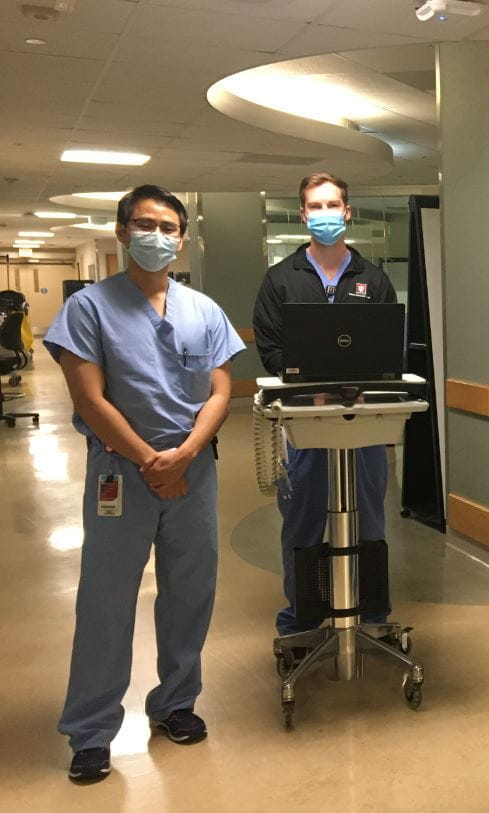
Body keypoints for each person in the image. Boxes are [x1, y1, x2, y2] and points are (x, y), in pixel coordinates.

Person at [45, 185, 244, 783]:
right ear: (122, 232)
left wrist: (185, 455)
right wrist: (152, 462)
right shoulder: (88, 308)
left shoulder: (203, 310)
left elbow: (222, 390)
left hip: (194, 469)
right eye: (144, 224)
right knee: (106, 600)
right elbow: (90, 398)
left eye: (167, 227)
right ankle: (91, 729)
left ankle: (176, 702)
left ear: (182, 239)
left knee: (190, 593)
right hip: (121, 473)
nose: (156, 235)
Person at [252, 172, 399, 637]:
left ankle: (370, 615)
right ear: (303, 215)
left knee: (370, 519)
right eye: (316, 206)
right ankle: (303, 617)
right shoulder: (281, 280)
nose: (325, 214)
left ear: (347, 212)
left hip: (364, 420)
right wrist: (307, 389)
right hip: (305, 422)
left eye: (333, 205)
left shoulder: (372, 279)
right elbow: (271, 349)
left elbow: (387, 349)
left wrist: (363, 386)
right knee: (303, 520)